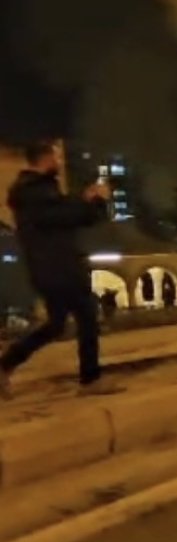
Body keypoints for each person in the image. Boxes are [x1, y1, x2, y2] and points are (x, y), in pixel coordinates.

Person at [0, 141, 122, 398]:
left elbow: (63, 212)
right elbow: (69, 216)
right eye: (56, 158)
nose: (60, 163)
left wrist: (85, 201)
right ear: (44, 159)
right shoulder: (35, 191)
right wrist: (96, 200)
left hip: (48, 267)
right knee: (87, 314)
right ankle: (91, 380)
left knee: (56, 324)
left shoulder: (34, 190)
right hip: (59, 267)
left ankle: (6, 363)